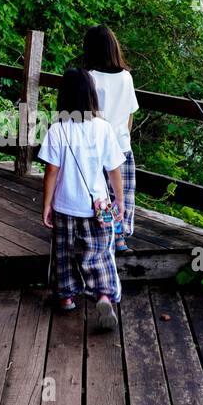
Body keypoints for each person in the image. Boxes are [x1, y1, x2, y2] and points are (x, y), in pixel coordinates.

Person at [38, 68, 125, 331]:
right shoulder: (104, 129)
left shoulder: (57, 129)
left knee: (63, 253)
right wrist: (119, 200)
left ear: (63, 96)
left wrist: (47, 204)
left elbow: (51, 171)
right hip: (97, 207)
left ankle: (65, 297)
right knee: (99, 254)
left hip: (65, 206)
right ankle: (103, 295)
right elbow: (114, 169)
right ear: (91, 96)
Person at [82, 25, 140, 251]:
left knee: (98, 193)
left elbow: (86, 114)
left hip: (96, 147)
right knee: (120, 194)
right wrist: (124, 138)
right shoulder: (127, 77)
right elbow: (130, 115)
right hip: (121, 146)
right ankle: (119, 238)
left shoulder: (90, 77)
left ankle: (98, 235)